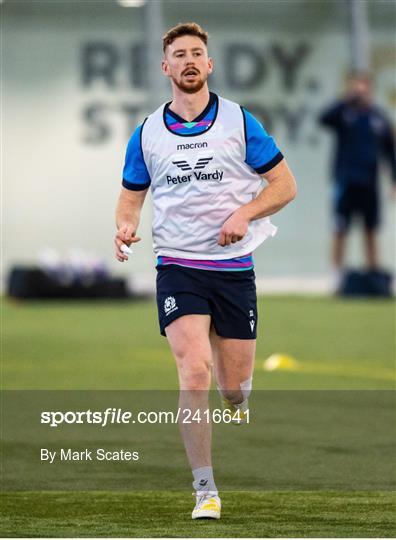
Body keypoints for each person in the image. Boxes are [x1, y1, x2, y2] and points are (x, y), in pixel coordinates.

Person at [114, 22, 296, 520]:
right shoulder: (147, 133)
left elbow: (284, 186)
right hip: (178, 266)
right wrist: (125, 227)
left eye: (198, 53)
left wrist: (244, 214)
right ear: (166, 67)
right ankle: (205, 490)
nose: (190, 60)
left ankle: (233, 380)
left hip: (234, 269)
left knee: (233, 391)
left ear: (209, 65)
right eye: (180, 54)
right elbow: (131, 198)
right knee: (194, 372)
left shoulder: (239, 122)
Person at [319, 71, 396, 286]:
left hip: (370, 183)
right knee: (340, 228)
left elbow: (390, 152)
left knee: (370, 229)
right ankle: (336, 275)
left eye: (364, 87)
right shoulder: (344, 113)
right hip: (345, 181)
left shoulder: (379, 118)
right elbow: (323, 119)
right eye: (357, 86)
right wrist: (346, 99)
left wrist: (393, 180)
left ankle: (374, 275)